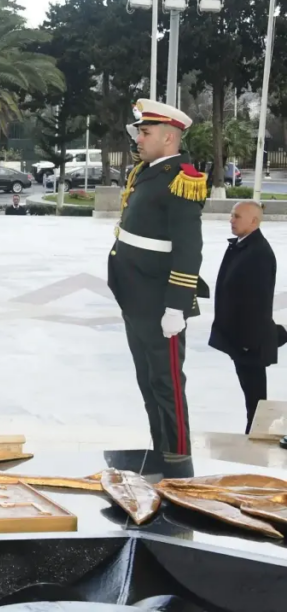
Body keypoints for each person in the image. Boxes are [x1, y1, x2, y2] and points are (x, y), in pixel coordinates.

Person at [108, 99, 209, 463]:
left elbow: (189, 249)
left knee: (167, 386)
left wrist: (176, 307)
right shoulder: (148, 171)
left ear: (168, 138)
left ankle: (179, 461)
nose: (138, 139)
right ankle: (161, 453)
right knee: (149, 383)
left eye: (145, 132)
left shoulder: (181, 178)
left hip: (158, 301)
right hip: (136, 297)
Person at [209, 201, 282, 434]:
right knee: (252, 394)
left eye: (237, 216)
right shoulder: (244, 246)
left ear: (254, 221)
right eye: (231, 215)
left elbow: (258, 301)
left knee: (256, 399)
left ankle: (256, 436)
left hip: (250, 340)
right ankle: (255, 434)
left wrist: (249, 342)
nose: (231, 220)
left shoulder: (258, 253)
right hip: (242, 337)